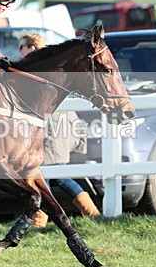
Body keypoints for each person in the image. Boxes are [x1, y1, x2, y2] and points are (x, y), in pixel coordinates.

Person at [18, 34, 99, 228]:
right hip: (54, 128)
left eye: (21, 46)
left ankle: (42, 221)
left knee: (50, 176)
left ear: (31, 47)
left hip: (52, 130)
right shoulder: (45, 65)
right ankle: (90, 213)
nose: (19, 51)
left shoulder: (38, 67)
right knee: (51, 177)